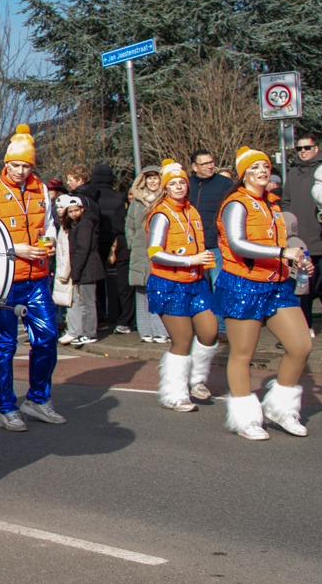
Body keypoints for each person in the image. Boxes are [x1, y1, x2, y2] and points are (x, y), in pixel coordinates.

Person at [217, 146, 316, 439]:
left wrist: (298, 259)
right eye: (254, 168)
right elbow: (237, 244)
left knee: (301, 346)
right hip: (243, 284)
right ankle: (246, 419)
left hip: (277, 284)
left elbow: (280, 242)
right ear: (244, 175)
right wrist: (283, 252)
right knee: (242, 354)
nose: (262, 171)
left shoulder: (272, 204)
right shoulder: (236, 203)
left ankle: (281, 409)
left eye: (265, 166)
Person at [0, 124, 66, 430]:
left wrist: (50, 240)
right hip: (5, 281)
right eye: (15, 165)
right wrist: (16, 250)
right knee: (5, 345)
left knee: (47, 338)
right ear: (6, 163)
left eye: (26, 166)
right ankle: (6, 408)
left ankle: (38, 399)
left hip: (38, 278)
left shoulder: (40, 189)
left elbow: (49, 223)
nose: (20, 171)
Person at [144, 160, 222, 411]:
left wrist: (202, 262)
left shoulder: (192, 211)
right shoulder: (161, 214)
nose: (178, 187)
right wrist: (191, 260)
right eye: (173, 184)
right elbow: (154, 253)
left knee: (210, 332)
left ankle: (195, 379)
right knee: (183, 338)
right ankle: (175, 395)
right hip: (169, 284)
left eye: (182, 183)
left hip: (197, 283)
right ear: (165, 188)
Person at [281, 132, 322, 339]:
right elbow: (286, 201)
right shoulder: (293, 173)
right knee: (303, 285)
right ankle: (305, 324)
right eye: (299, 148)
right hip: (301, 242)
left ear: (316, 149)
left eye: (307, 147)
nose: (303, 151)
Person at [82, 163, 130, 332]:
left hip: (96, 242)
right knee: (119, 280)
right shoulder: (119, 196)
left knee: (98, 280)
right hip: (116, 243)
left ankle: (101, 315)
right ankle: (119, 315)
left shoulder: (92, 196)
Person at [126, 166, 171, 344]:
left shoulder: (166, 199)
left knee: (158, 290)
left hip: (160, 250)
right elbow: (129, 225)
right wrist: (132, 242)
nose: (152, 181)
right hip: (139, 251)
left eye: (156, 178)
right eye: (149, 178)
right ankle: (145, 331)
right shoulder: (136, 202)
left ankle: (161, 330)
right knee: (141, 292)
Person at [57, 195, 101, 345]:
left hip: (87, 270)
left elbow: (82, 250)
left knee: (87, 303)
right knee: (84, 302)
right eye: (70, 211)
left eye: (76, 210)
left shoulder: (85, 224)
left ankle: (89, 334)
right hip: (85, 269)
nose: (73, 214)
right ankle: (86, 333)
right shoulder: (79, 224)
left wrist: (76, 273)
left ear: (82, 209)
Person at [189, 150, 234, 286]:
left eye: (211, 162)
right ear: (195, 167)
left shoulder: (225, 183)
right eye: (205, 164)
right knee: (196, 285)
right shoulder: (186, 184)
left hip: (215, 244)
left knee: (217, 284)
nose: (210, 166)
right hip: (192, 245)